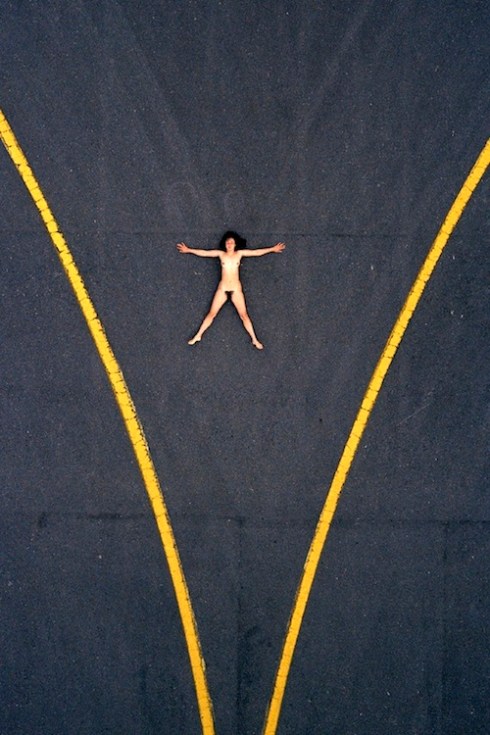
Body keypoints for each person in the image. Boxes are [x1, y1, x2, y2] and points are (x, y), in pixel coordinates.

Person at [177, 231, 285, 349]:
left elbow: (256, 252)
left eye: (231, 242)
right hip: (223, 288)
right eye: (227, 242)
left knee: (244, 315)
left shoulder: (239, 254)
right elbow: (205, 253)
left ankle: (254, 339)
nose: (229, 244)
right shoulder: (221, 254)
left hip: (235, 289)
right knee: (211, 314)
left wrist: (272, 249)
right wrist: (189, 250)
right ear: (225, 244)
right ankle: (198, 335)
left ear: (235, 245)